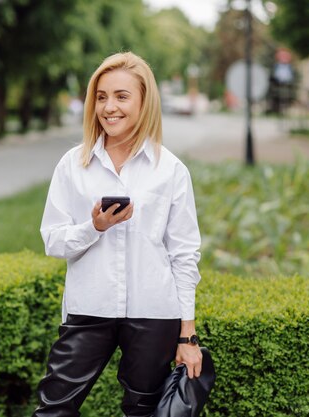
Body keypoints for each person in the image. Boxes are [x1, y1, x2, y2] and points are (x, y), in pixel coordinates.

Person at [33, 52, 203, 417]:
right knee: (53, 409)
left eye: (122, 96)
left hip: (154, 312)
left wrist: (187, 336)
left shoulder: (170, 170)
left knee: (142, 410)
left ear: (145, 102)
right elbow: (53, 240)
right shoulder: (72, 165)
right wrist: (94, 227)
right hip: (88, 308)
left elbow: (184, 255)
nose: (109, 107)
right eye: (101, 96)